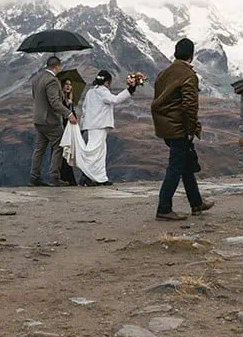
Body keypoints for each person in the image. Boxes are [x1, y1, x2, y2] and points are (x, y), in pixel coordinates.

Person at [151, 39, 209, 221]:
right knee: (176, 166)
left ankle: (196, 203)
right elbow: (189, 106)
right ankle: (164, 208)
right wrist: (191, 129)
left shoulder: (164, 73)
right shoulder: (188, 75)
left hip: (165, 127)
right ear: (191, 55)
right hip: (179, 128)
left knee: (185, 165)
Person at [73, 70, 141, 185]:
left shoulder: (90, 92)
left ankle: (99, 177)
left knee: (99, 152)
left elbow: (84, 109)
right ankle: (87, 176)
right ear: (107, 82)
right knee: (95, 152)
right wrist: (130, 89)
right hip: (99, 125)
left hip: (91, 125)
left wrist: (83, 125)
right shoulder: (103, 91)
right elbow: (114, 100)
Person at [30, 56, 77, 187]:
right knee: (59, 145)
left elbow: (36, 98)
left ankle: (34, 177)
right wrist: (68, 114)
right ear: (57, 66)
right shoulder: (52, 81)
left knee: (39, 149)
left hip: (38, 119)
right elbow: (54, 103)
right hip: (50, 121)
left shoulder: (36, 79)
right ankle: (54, 176)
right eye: (59, 67)